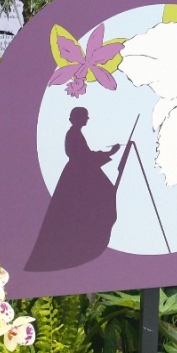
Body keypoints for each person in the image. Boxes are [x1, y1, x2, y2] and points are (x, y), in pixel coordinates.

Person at [25, 107, 120, 271]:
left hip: (81, 172)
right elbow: (82, 156)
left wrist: (105, 154)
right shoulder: (73, 134)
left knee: (103, 194)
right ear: (78, 118)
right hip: (78, 176)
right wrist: (108, 153)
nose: (87, 119)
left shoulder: (75, 133)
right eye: (85, 116)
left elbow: (85, 155)